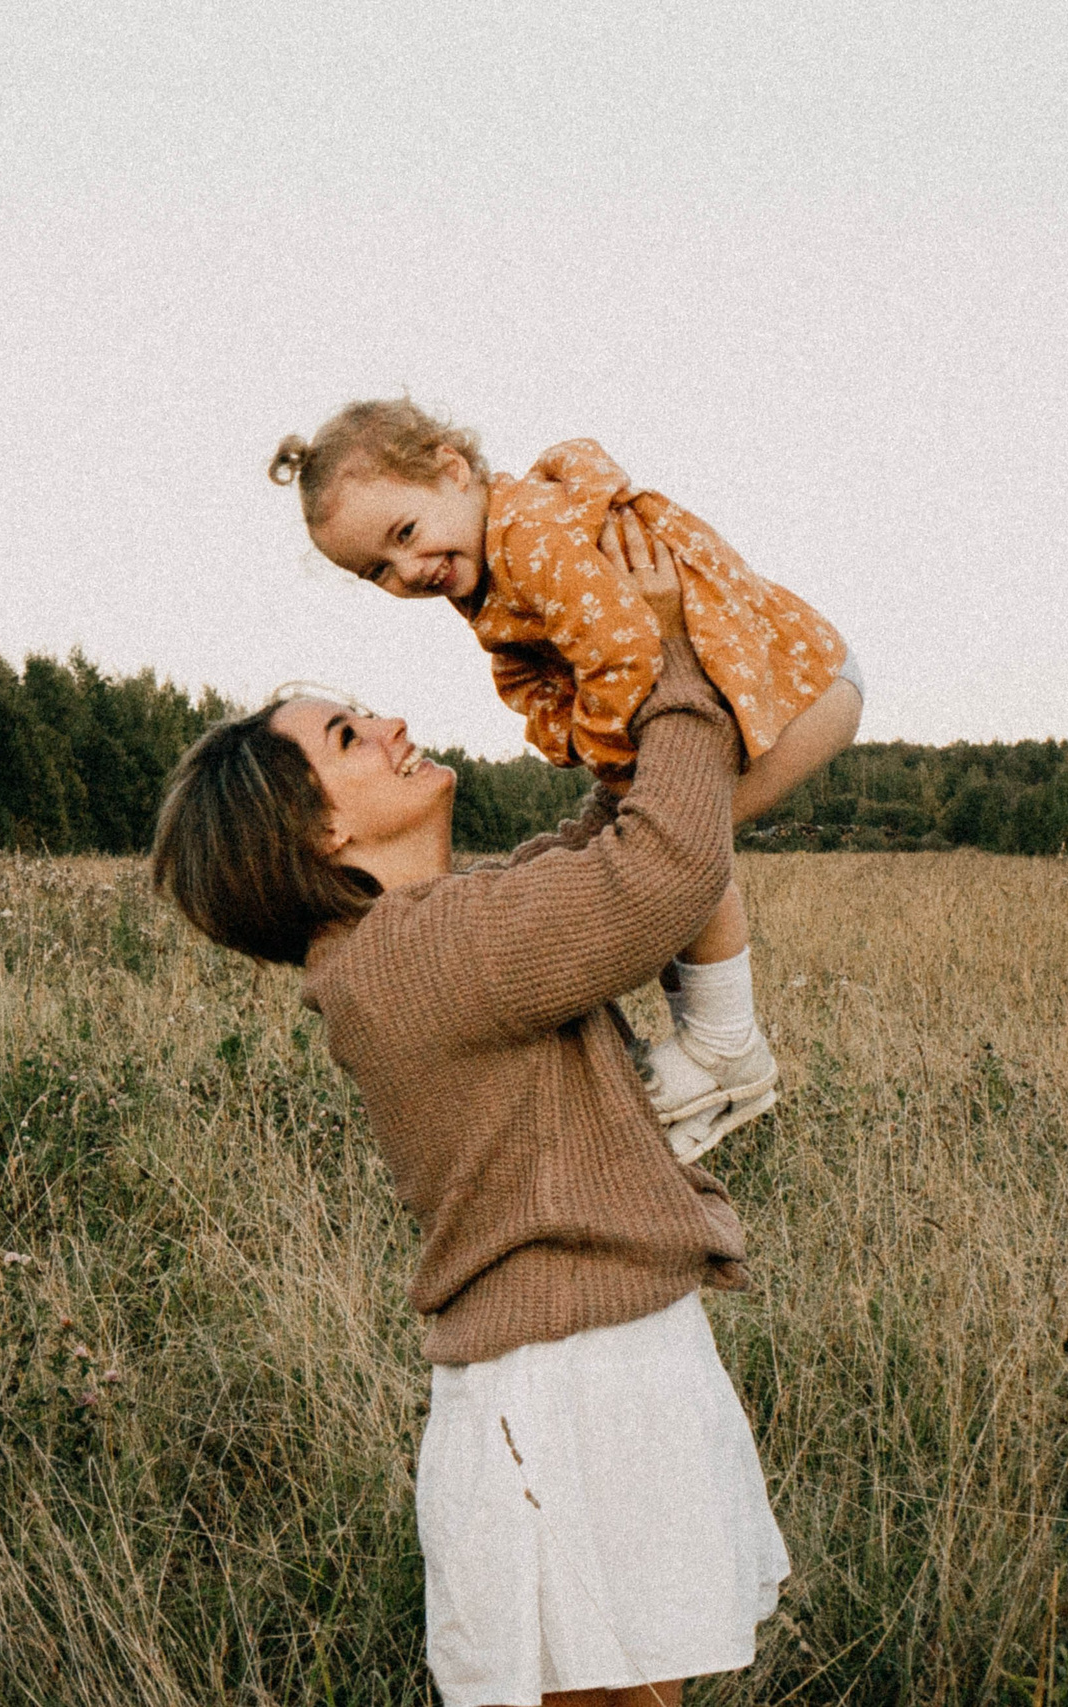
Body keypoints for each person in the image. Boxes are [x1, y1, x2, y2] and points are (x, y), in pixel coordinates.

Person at [151, 514, 789, 1707]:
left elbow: (608, 840)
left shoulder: (425, 938)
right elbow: (660, 872)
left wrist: (624, 670)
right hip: (562, 1389)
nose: (389, 723)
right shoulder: (414, 956)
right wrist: (679, 676)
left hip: (598, 1365)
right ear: (323, 832)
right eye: (348, 735)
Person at [269, 401, 865, 1156]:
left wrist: (588, 742)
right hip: (788, 675)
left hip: (801, 684)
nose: (408, 571)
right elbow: (544, 682)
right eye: (377, 570)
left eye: (406, 534)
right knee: (655, 833)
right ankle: (711, 1048)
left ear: (453, 469)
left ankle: (725, 1049)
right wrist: (581, 738)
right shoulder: (486, 573)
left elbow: (624, 658)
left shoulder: (531, 540)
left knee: (674, 840)